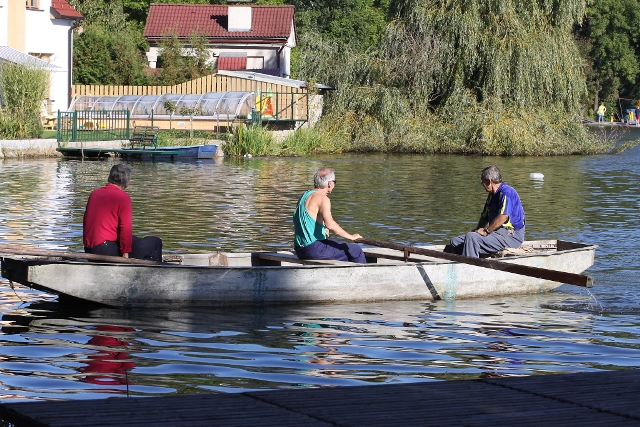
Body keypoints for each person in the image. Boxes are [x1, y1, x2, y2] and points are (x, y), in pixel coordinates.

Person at [83, 164, 163, 261]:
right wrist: (125, 253)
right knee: (155, 242)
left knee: (134, 239)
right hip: (106, 250)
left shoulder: (94, 193)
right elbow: (125, 228)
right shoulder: (123, 197)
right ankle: (151, 270)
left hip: (89, 249)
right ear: (127, 183)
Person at [449, 165, 525, 258]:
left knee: (471, 237)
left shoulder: (507, 192)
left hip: (511, 236)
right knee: (455, 242)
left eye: (482, 181)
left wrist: (487, 231)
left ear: (489, 181)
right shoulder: (492, 195)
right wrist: (477, 230)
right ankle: (473, 257)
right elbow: (485, 216)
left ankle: (471, 264)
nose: (482, 183)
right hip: (495, 234)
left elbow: (503, 216)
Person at [293, 168, 366, 263]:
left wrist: (322, 227)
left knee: (338, 245)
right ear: (329, 184)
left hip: (299, 250)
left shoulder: (304, 196)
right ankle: (364, 273)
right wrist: (351, 237)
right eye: (335, 182)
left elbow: (301, 219)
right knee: (356, 251)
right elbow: (330, 224)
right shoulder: (323, 199)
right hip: (314, 249)